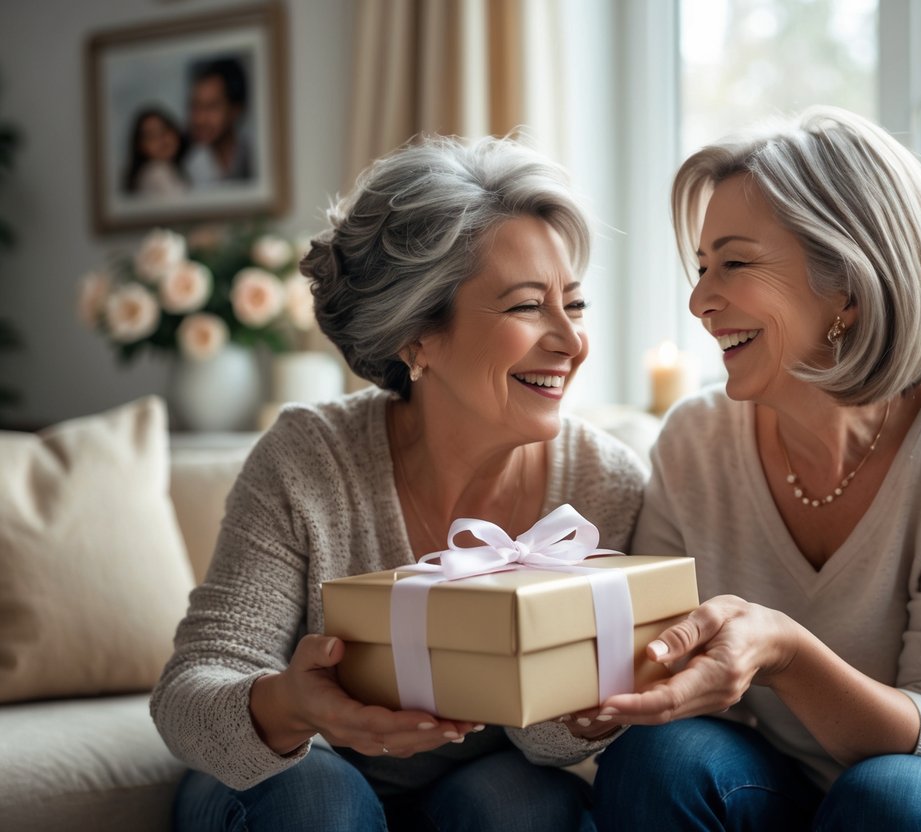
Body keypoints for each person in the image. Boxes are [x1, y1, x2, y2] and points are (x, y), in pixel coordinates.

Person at [587, 107, 921, 830]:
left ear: (845, 284)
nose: (698, 301)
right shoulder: (695, 438)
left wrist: (782, 651)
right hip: (783, 779)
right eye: (700, 267)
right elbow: (653, 656)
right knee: (661, 759)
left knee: (888, 799)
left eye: (735, 262)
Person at [151, 135, 640, 831]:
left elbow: (548, 742)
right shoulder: (308, 459)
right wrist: (295, 705)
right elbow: (189, 696)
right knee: (322, 798)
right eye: (528, 306)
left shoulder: (604, 483)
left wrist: (585, 707)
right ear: (416, 337)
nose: (570, 340)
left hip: (469, 787)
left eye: (575, 303)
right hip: (292, 780)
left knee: (523, 806)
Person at [182, 56, 253, 186]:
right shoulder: (187, 167)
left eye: (211, 106)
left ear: (236, 109)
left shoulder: (253, 155)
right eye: (195, 106)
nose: (199, 119)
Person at [123, 106, 188, 197]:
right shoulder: (156, 172)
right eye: (151, 136)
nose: (161, 139)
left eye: (164, 130)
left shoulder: (174, 168)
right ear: (140, 146)